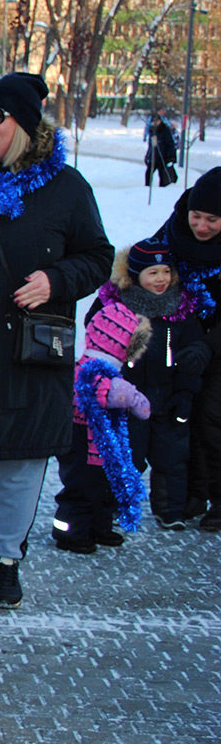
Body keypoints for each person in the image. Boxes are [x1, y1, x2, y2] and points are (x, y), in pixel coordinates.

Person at [0, 72, 112, 607]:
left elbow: (98, 257)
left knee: (18, 460)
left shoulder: (66, 188)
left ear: (25, 127)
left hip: (30, 350)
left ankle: (5, 560)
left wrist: (57, 281)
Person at [92, 241, 204, 530]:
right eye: (153, 272)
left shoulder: (181, 309)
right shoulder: (116, 306)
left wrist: (186, 393)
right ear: (134, 275)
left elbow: (192, 353)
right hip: (128, 398)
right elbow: (98, 342)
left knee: (172, 458)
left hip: (169, 397)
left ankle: (170, 510)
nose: (161, 279)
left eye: (166, 271)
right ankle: (116, 504)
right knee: (128, 455)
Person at [149, 167, 221, 531]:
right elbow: (145, 266)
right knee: (182, 415)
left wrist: (208, 347)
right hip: (182, 338)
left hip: (215, 341)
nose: (201, 226)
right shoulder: (174, 230)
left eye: (213, 219)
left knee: (213, 417)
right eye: (197, 216)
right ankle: (191, 494)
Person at [52, 303, 153, 551]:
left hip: (98, 443)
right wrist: (134, 398)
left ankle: (98, 527)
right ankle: (69, 533)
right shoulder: (97, 374)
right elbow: (135, 405)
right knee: (81, 489)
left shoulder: (91, 369)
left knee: (102, 485)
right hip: (83, 442)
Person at [145, 109, 178, 189]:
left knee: (163, 175)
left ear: (160, 121)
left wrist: (170, 157)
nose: (155, 123)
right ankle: (147, 188)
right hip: (154, 157)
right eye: (153, 121)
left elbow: (170, 144)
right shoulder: (152, 130)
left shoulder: (165, 130)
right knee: (148, 173)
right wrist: (148, 156)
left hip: (163, 157)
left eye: (156, 121)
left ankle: (162, 189)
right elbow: (151, 145)